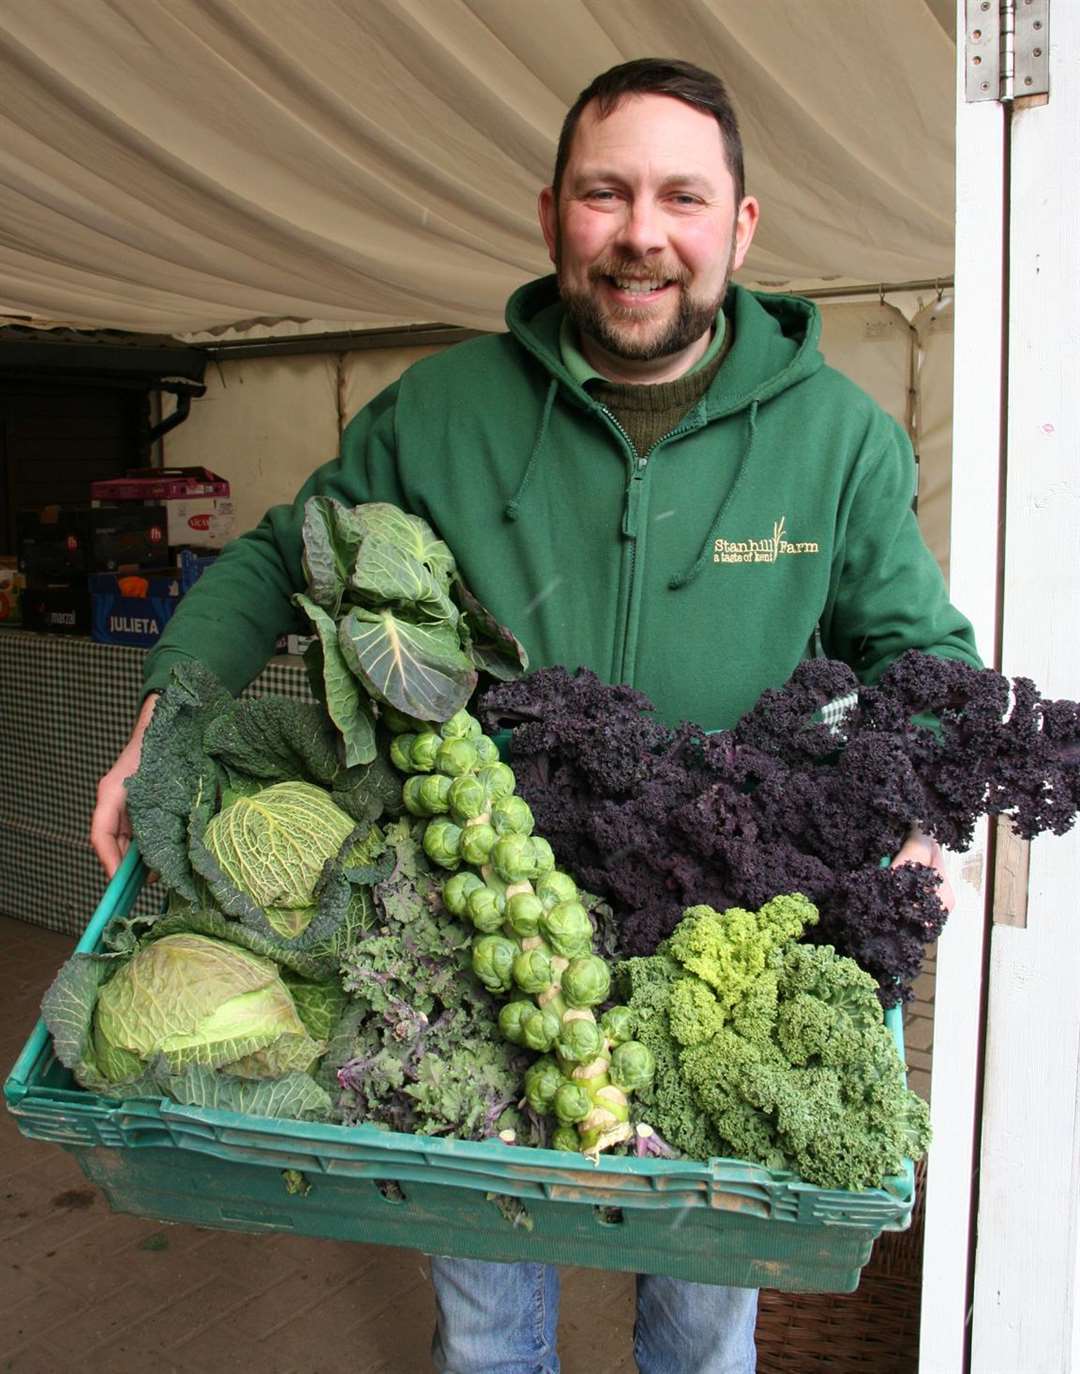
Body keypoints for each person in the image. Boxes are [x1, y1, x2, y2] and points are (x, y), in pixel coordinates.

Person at [92, 58, 976, 1374]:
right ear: (552, 211)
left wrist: (924, 805)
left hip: (714, 954)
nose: (641, 234)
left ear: (739, 228)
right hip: (483, 925)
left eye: (682, 197)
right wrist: (163, 714)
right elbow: (285, 554)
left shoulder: (838, 440)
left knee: (700, 1321)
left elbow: (925, 659)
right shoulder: (442, 412)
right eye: (605, 193)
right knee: (492, 1320)